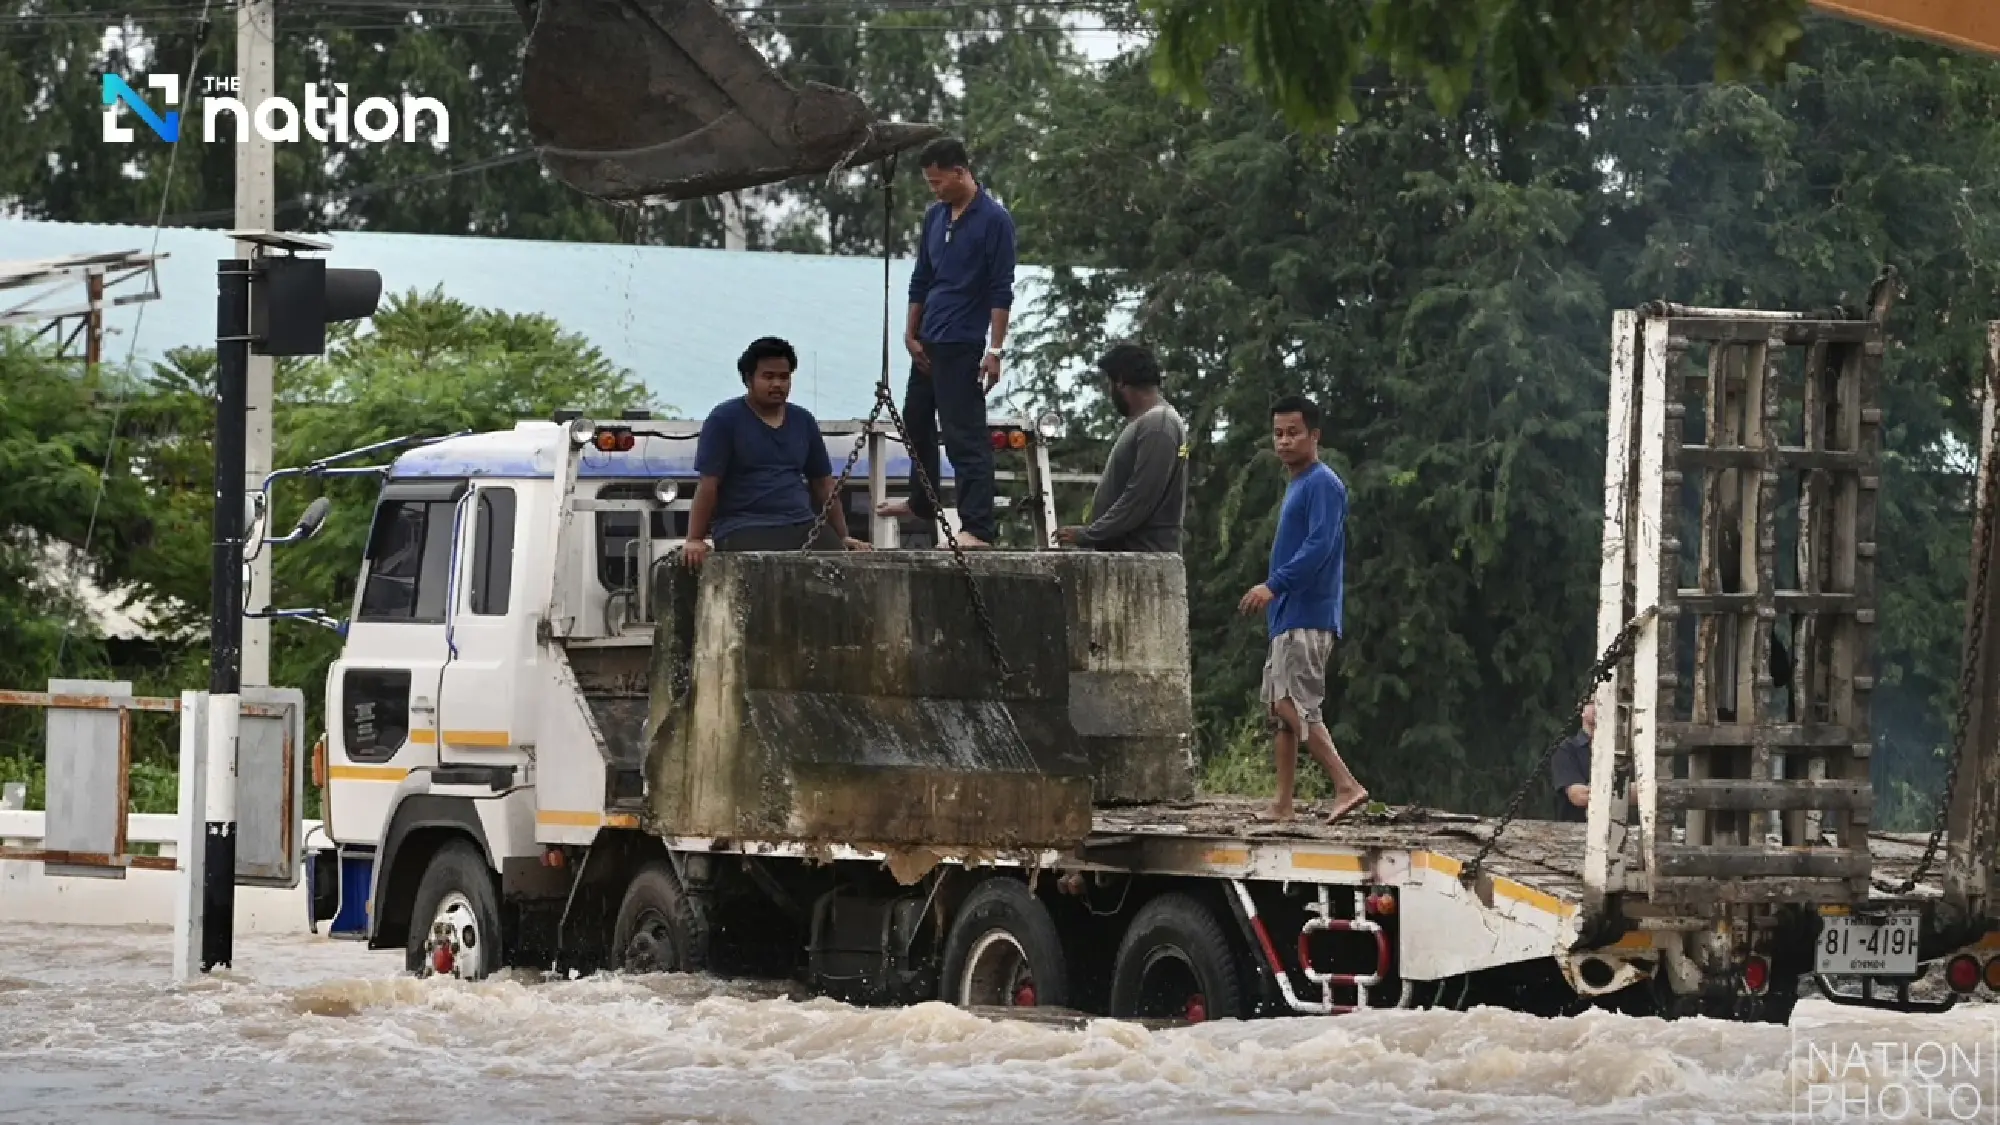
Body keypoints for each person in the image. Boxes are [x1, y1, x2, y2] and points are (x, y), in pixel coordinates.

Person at [875, 136, 1017, 549]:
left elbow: (1000, 288)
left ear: (960, 172)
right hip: (928, 336)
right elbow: (922, 277)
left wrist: (996, 350)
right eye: (929, 183)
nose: (934, 190)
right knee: (914, 418)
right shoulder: (935, 218)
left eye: (939, 182)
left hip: (963, 342)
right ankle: (923, 499)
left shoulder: (995, 220)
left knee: (963, 434)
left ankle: (978, 527)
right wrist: (909, 331)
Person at [1238, 395, 1369, 824]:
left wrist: (1273, 586)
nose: (1285, 441)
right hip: (1288, 615)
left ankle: (1346, 784)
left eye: (1294, 432)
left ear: (1315, 435)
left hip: (1308, 613)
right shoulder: (1298, 484)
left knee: (1293, 703)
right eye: (1278, 433)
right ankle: (1282, 803)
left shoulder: (1323, 483)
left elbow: (1319, 547)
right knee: (1281, 709)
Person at [682, 336, 869, 566]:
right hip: (744, 525)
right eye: (768, 377)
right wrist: (695, 539)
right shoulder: (724, 419)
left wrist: (842, 536)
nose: (777, 384)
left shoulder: (803, 420)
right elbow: (708, 484)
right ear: (748, 379)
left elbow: (823, 483)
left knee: (843, 568)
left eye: (784, 377)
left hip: (802, 523)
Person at [1056, 342, 1189, 553]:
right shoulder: (1151, 422)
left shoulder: (1158, 425)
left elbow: (1140, 498)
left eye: (1108, 383)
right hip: (1131, 559)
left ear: (1120, 382)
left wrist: (1088, 534)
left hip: (1145, 561)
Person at [1550, 699, 1596, 823]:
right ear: (1582, 709)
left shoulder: (1621, 752)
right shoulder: (1566, 748)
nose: (1599, 705)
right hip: (1573, 833)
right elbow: (1578, 796)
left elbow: (1645, 791)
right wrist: (1622, 794)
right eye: (1593, 701)